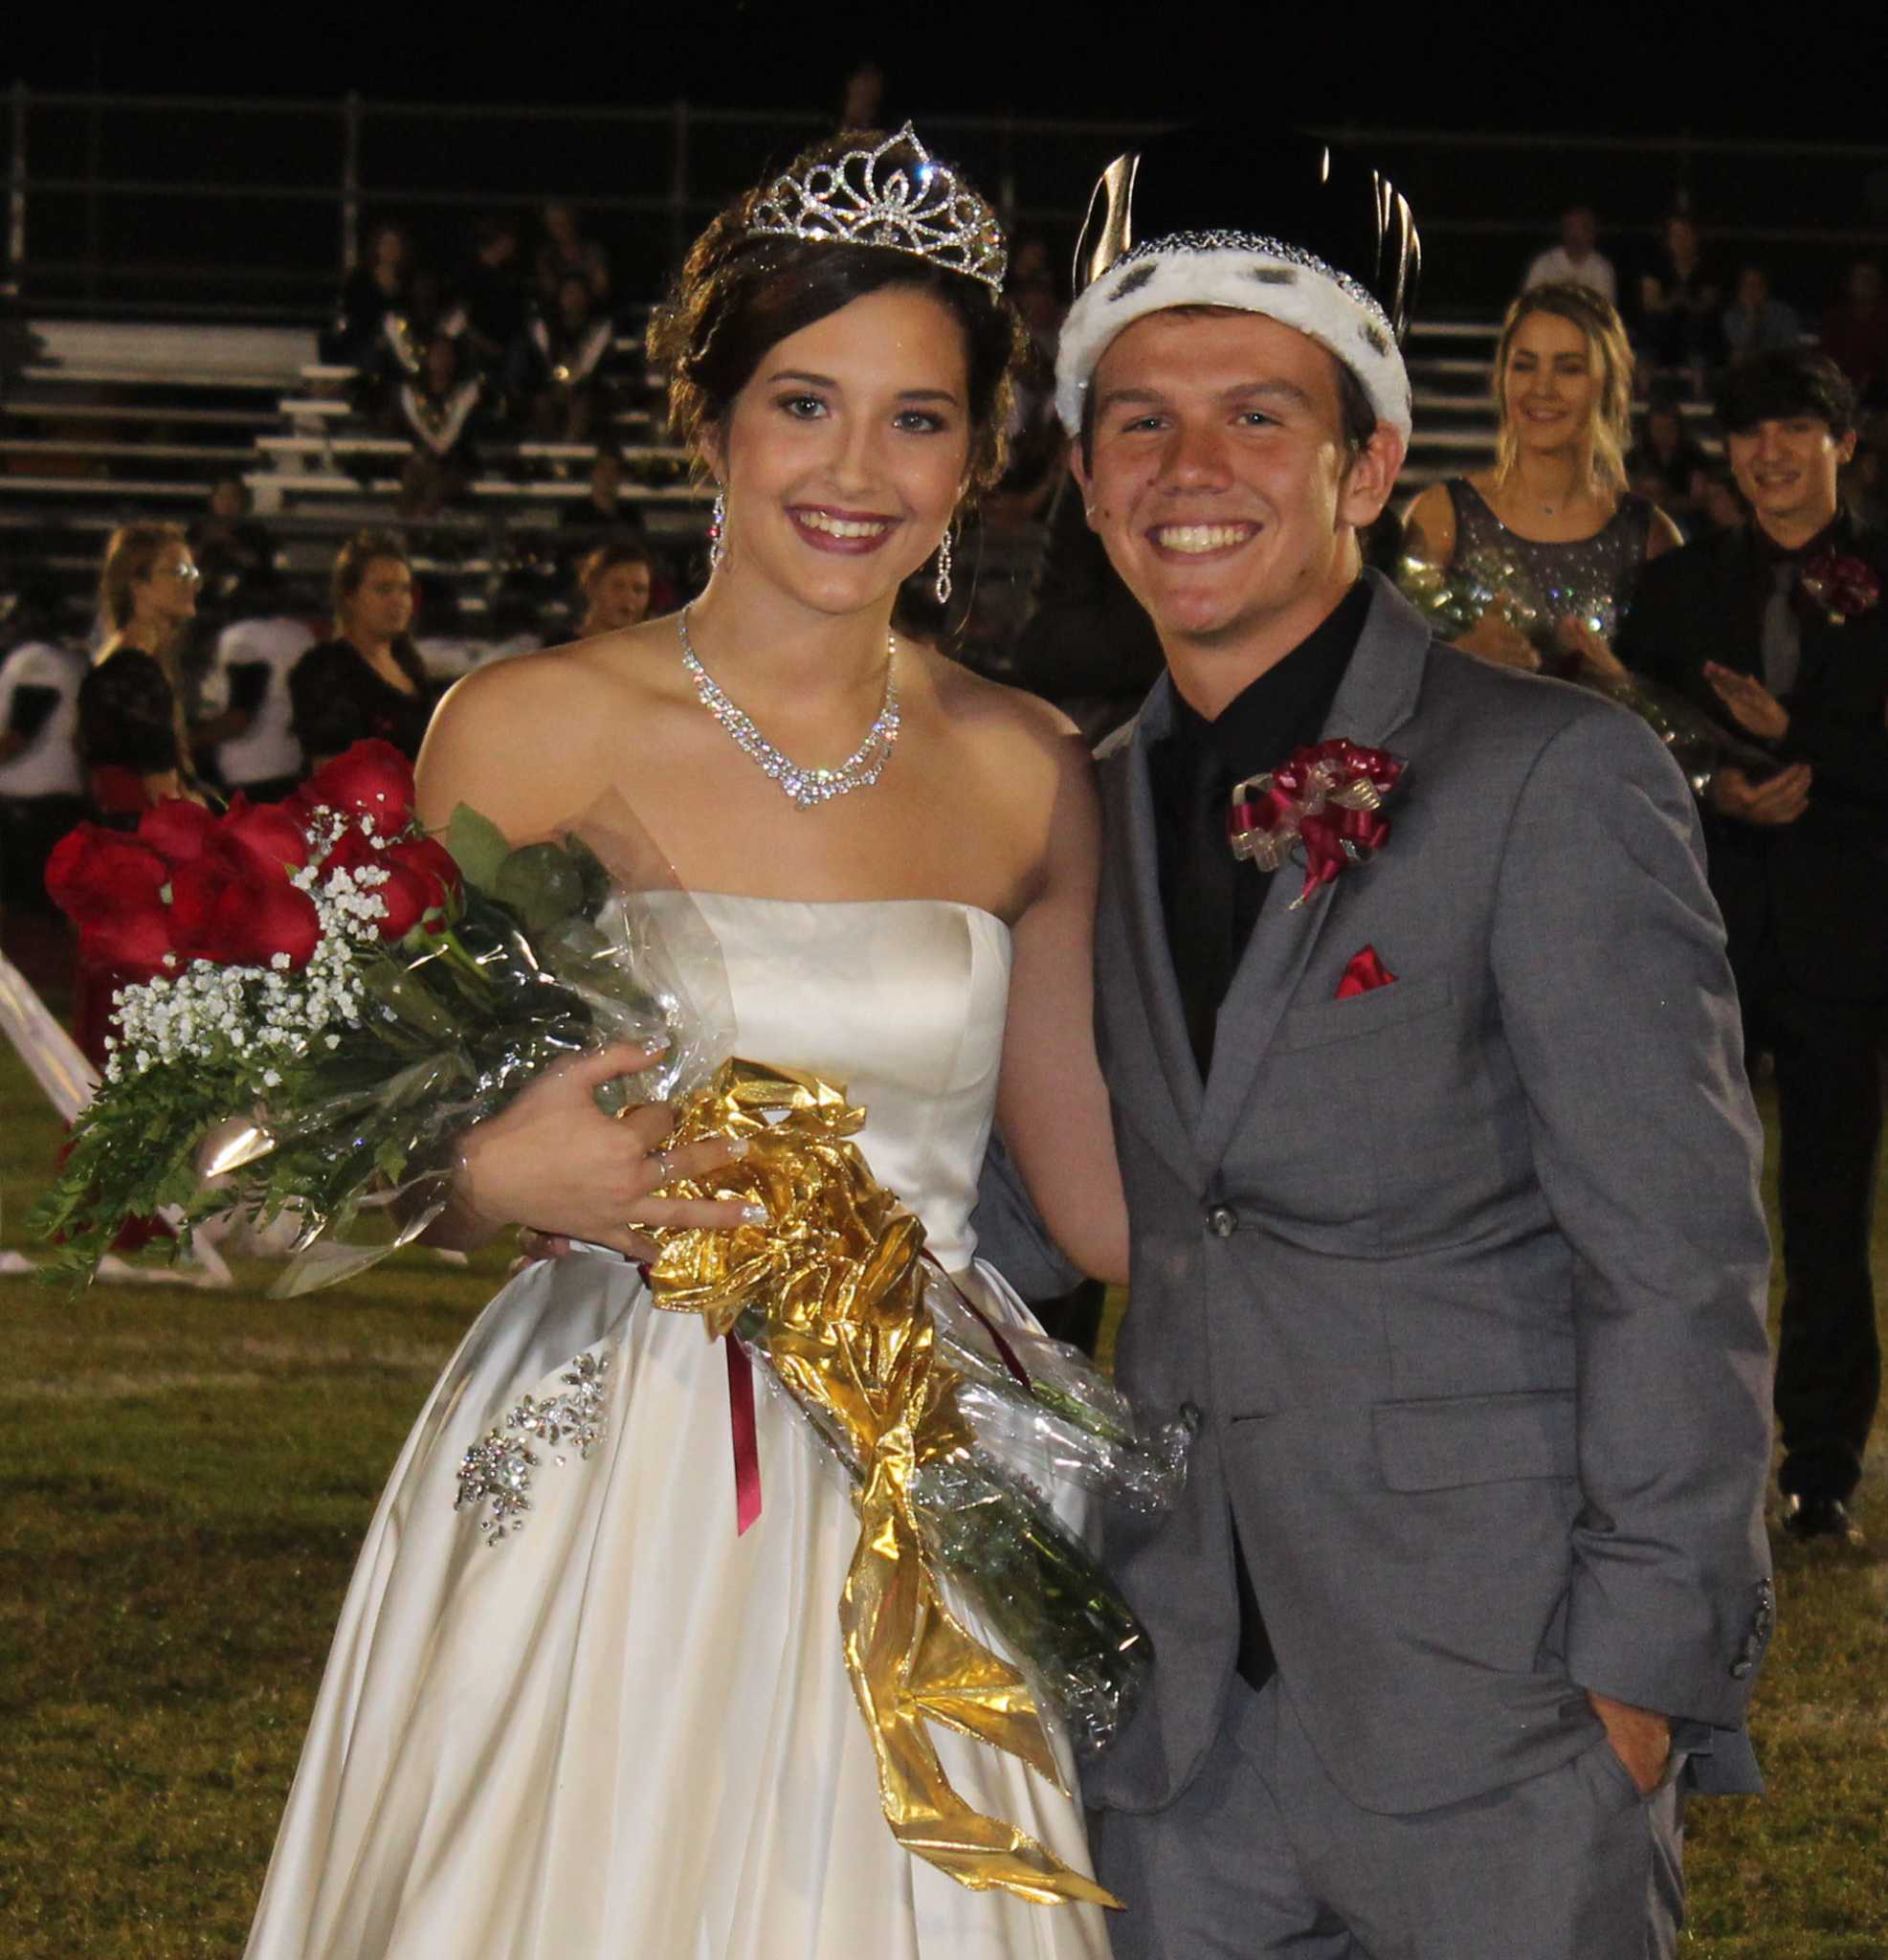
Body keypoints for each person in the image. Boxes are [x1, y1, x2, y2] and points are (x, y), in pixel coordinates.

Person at [242, 126, 1123, 1959]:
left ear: (980, 456)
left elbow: (1110, 1208)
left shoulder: (1030, 769)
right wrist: (487, 1170)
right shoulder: (529, 729)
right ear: (707, 416)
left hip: (916, 1465)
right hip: (608, 1469)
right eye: (803, 401)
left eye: (918, 418)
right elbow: (293, 1160)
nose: (854, 470)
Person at [976, 129, 1774, 1960]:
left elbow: (1676, 1256)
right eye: (1140, 420)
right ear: (1086, 472)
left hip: (1496, 1713)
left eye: (1258, 414)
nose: (1192, 470)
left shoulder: (1552, 774)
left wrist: (1637, 1681)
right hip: (1174, 1735)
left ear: (1373, 465)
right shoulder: (1072, 806)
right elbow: (1031, 1224)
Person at [1616, 347, 1888, 1550]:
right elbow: (1625, 736)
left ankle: (1818, 1464)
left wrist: (1810, 745)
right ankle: (1690, 1445)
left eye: (1793, 429)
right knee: (1690, 1206)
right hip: (1705, 929)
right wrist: (1716, 783)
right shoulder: (1678, 589)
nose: (1769, 454)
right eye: (1746, 434)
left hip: (1844, 936)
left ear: (1841, 443)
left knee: (1828, 1209)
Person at [1403, 280, 1683, 674]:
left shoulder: (1648, 535)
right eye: (1525, 365)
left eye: (1568, 368)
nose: (1542, 388)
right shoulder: (1441, 516)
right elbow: (1386, 675)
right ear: (1502, 376)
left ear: (1606, 383)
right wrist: (1463, 655)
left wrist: (1615, 685)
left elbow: (1676, 711)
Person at [73, 523, 201, 1063]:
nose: (192, 582)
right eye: (177, 571)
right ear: (138, 586)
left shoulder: (123, 663)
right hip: (140, 863)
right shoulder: (135, 671)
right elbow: (162, 795)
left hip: (114, 856)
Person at [0, 573, 87, 998]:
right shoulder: (68, 658)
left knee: (28, 920)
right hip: (57, 796)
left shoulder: (37, 659)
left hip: (30, 802)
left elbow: (20, 735)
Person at [288, 530, 434, 768]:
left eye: (404, 589)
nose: (398, 601)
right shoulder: (324, 667)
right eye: (383, 589)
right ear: (350, 596)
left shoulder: (409, 662)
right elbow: (330, 770)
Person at [193, 567, 314, 803]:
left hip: (249, 776)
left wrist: (187, 741)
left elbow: (241, 717)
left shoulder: (243, 638)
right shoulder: (301, 635)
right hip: (291, 765)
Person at [1637, 212, 1722, 378]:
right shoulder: (1654, 264)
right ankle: (1643, 385)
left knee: (1699, 325)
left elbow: (1707, 304)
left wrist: (1687, 302)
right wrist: (1673, 301)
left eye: (1686, 234)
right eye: (1676, 235)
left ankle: (1699, 385)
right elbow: (1650, 304)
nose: (1681, 240)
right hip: (1663, 326)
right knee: (1651, 326)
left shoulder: (1709, 266)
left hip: (1696, 328)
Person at [1819, 258, 1888, 404]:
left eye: (1871, 278)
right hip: (1839, 390)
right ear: (1848, 283)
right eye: (1861, 277)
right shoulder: (1835, 318)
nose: (1867, 282)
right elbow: (1826, 357)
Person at [1522, 204, 1617, 307]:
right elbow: (1527, 301)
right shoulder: (1544, 263)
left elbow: (1605, 311)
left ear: (1593, 232)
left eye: (1582, 228)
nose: (1574, 234)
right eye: (1570, 227)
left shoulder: (1602, 268)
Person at [575, 535, 655, 636]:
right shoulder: (561, 646)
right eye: (618, 586)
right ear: (592, 587)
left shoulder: (653, 649)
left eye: (639, 590)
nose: (629, 597)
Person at [1721, 265, 1802, 362]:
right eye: (1746, 284)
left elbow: (1791, 347)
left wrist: (1760, 355)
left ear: (1766, 288)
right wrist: (1751, 314)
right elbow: (1739, 346)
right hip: (1746, 370)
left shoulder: (1784, 312)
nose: (1751, 290)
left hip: (1777, 367)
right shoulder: (1731, 315)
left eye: (1757, 284)